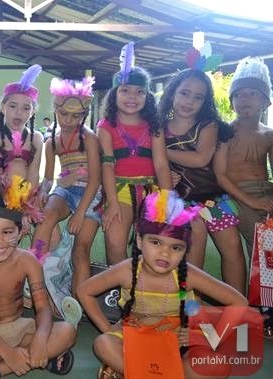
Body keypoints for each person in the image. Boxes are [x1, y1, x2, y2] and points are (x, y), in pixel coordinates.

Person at [77, 189, 248, 378]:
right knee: (103, 344)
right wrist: (109, 329)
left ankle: (140, 371)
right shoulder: (127, 270)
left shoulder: (189, 274)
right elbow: (84, 291)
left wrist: (210, 339)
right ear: (140, 241)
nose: (165, 253)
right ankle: (152, 372)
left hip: (180, 341)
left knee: (218, 365)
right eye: (156, 243)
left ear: (185, 250)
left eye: (175, 247)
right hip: (135, 336)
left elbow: (239, 302)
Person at [0, 175, 78, 378]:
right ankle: (40, 358)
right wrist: (8, 352)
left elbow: (42, 308)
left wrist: (40, 338)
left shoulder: (29, 260)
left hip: (20, 329)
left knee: (68, 331)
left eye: (7, 232)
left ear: (20, 233)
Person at [158, 67, 245, 293]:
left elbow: (200, 158)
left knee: (233, 248)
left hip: (212, 198)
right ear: (172, 93)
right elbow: (151, 165)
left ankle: (237, 303)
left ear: (205, 102)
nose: (190, 101)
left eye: (198, 97)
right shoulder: (158, 127)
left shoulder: (208, 125)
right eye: (184, 93)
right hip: (180, 200)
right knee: (193, 243)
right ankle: (190, 301)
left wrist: (158, 151)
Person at [97, 42, 172, 265]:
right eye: (125, 91)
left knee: (154, 245)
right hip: (119, 190)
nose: (132, 97)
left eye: (140, 92)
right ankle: (121, 285)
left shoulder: (154, 125)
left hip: (152, 191)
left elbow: (161, 165)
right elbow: (107, 165)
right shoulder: (106, 127)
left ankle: (147, 284)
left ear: (147, 96)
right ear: (114, 94)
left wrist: (168, 200)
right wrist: (112, 203)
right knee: (114, 242)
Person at [33, 76, 101, 295]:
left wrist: (80, 213)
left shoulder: (89, 138)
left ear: (84, 115)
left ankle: (80, 300)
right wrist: (44, 190)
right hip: (66, 190)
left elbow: (96, 179)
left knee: (80, 250)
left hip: (91, 194)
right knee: (47, 215)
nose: (69, 120)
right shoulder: (51, 142)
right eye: (63, 114)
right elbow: (49, 178)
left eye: (76, 116)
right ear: (55, 110)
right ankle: (33, 271)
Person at [217, 57, 273, 257]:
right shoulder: (225, 132)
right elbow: (220, 176)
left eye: (252, 93)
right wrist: (252, 201)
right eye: (238, 95)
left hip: (266, 192)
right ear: (231, 103)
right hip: (236, 195)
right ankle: (260, 277)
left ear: (265, 101)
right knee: (260, 238)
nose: (244, 99)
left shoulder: (270, 135)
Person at [0, 65, 44, 185]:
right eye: (13, 106)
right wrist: (10, 196)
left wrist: (30, 195)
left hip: (28, 191)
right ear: (3, 107)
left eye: (26, 108)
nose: (19, 112)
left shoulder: (36, 138)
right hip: (1, 190)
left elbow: (34, 173)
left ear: (32, 112)